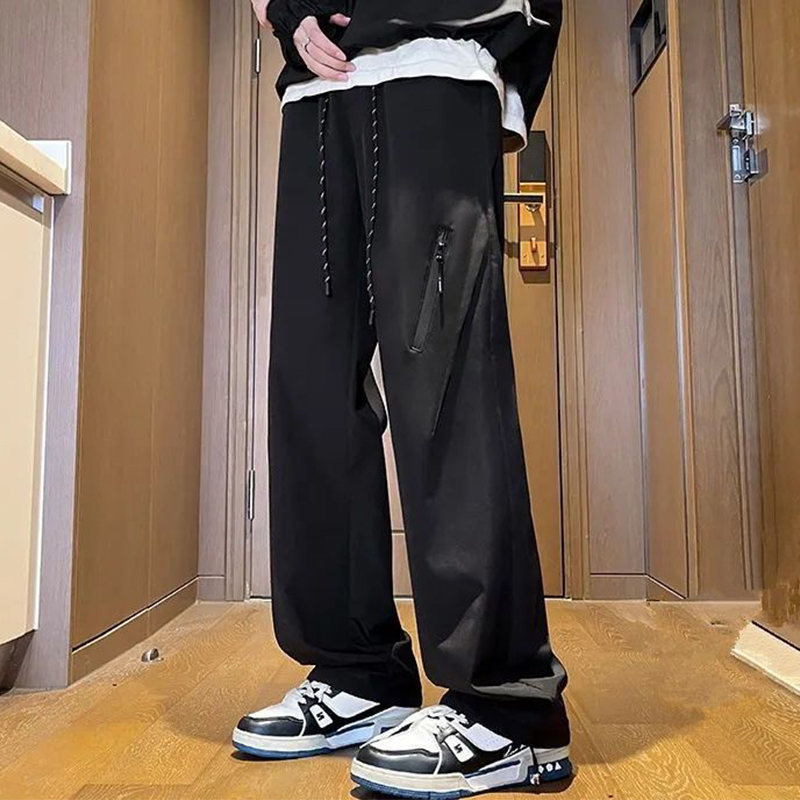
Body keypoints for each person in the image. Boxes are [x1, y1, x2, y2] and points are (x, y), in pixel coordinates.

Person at [232, 1, 571, 796]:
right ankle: (358, 670)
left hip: (438, 58)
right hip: (316, 91)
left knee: (444, 381)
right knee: (313, 388)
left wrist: (509, 79)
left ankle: (510, 702)